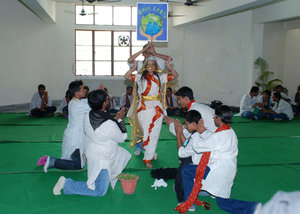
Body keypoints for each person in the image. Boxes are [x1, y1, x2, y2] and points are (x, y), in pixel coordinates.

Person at [175, 105, 262, 214]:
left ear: (219, 118)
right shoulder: (228, 131)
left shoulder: (220, 135)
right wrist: (202, 131)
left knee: (186, 170)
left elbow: (196, 147)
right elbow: (212, 139)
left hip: (218, 171)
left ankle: (189, 203)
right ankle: (253, 207)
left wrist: (195, 132)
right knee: (222, 202)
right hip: (224, 170)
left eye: (214, 116)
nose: (213, 118)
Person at [52, 89, 131, 196]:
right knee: (100, 191)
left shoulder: (88, 114)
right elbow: (122, 137)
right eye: (107, 99)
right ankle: (66, 183)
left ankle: (104, 176)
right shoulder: (108, 124)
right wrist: (120, 120)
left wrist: (115, 119)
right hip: (102, 159)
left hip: (94, 152)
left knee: (123, 155)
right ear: (104, 103)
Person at [124, 56, 178, 168]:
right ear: (144, 65)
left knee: (154, 133)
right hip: (143, 108)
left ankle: (147, 158)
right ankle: (151, 152)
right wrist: (134, 67)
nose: (150, 66)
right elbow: (127, 76)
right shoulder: (140, 77)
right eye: (148, 64)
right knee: (145, 132)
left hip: (156, 108)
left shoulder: (160, 77)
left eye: (153, 64)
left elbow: (175, 76)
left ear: (155, 66)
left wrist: (169, 67)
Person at [43, 80, 91, 172]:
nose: (84, 90)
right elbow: (92, 104)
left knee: (79, 161)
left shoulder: (77, 102)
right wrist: (98, 94)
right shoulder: (76, 105)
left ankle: (51, 160)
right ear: (77, 93)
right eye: (82, 89)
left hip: (75, 135)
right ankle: (52, 161)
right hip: (75, 138)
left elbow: (87, 102)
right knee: (79, 166)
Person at [173, 110, 213, 204]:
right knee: (186, 157)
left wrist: (178, 134)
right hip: (212, 169)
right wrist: (182, 133)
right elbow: (187, 144)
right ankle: (204, 189)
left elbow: (181, 153)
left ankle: (183, 199)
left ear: (194, 124)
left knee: (183, 162)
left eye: (187, 124)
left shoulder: (196, 137)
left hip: (203, 169)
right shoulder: (205, 132)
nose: (185, 127)